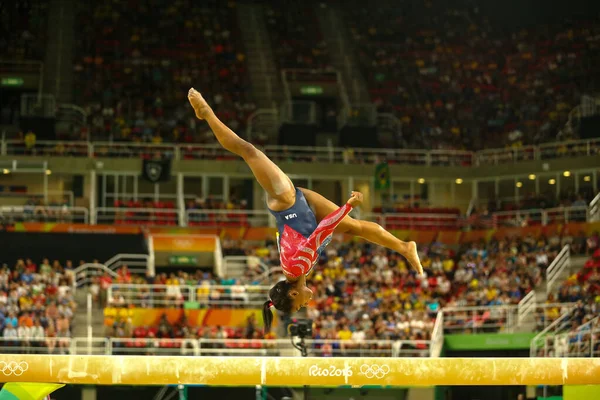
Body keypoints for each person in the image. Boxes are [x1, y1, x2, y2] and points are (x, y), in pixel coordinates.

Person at [188, 88, 423, 331]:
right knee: (355, 228)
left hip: (286, 200)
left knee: (249, 151)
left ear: (292, 295)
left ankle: (207, 114)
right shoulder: (298, 271)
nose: (306, 304)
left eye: (300, 306)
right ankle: (404, 247)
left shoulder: (296, 268)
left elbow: (321, 232)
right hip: (303, 208)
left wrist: (347, 207)